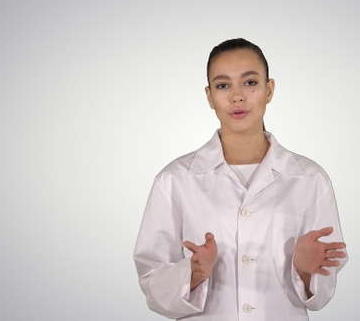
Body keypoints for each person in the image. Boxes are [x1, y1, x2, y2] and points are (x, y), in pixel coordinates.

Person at [133, 38, 348, 320]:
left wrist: (304, 271)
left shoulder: (309, 179)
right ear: (209, 96)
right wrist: (193, 273)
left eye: (250, 83)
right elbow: (152, 283)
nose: (237, 96)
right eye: (223, 86)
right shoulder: (174, 180)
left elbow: (321, 295)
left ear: (269, 90)